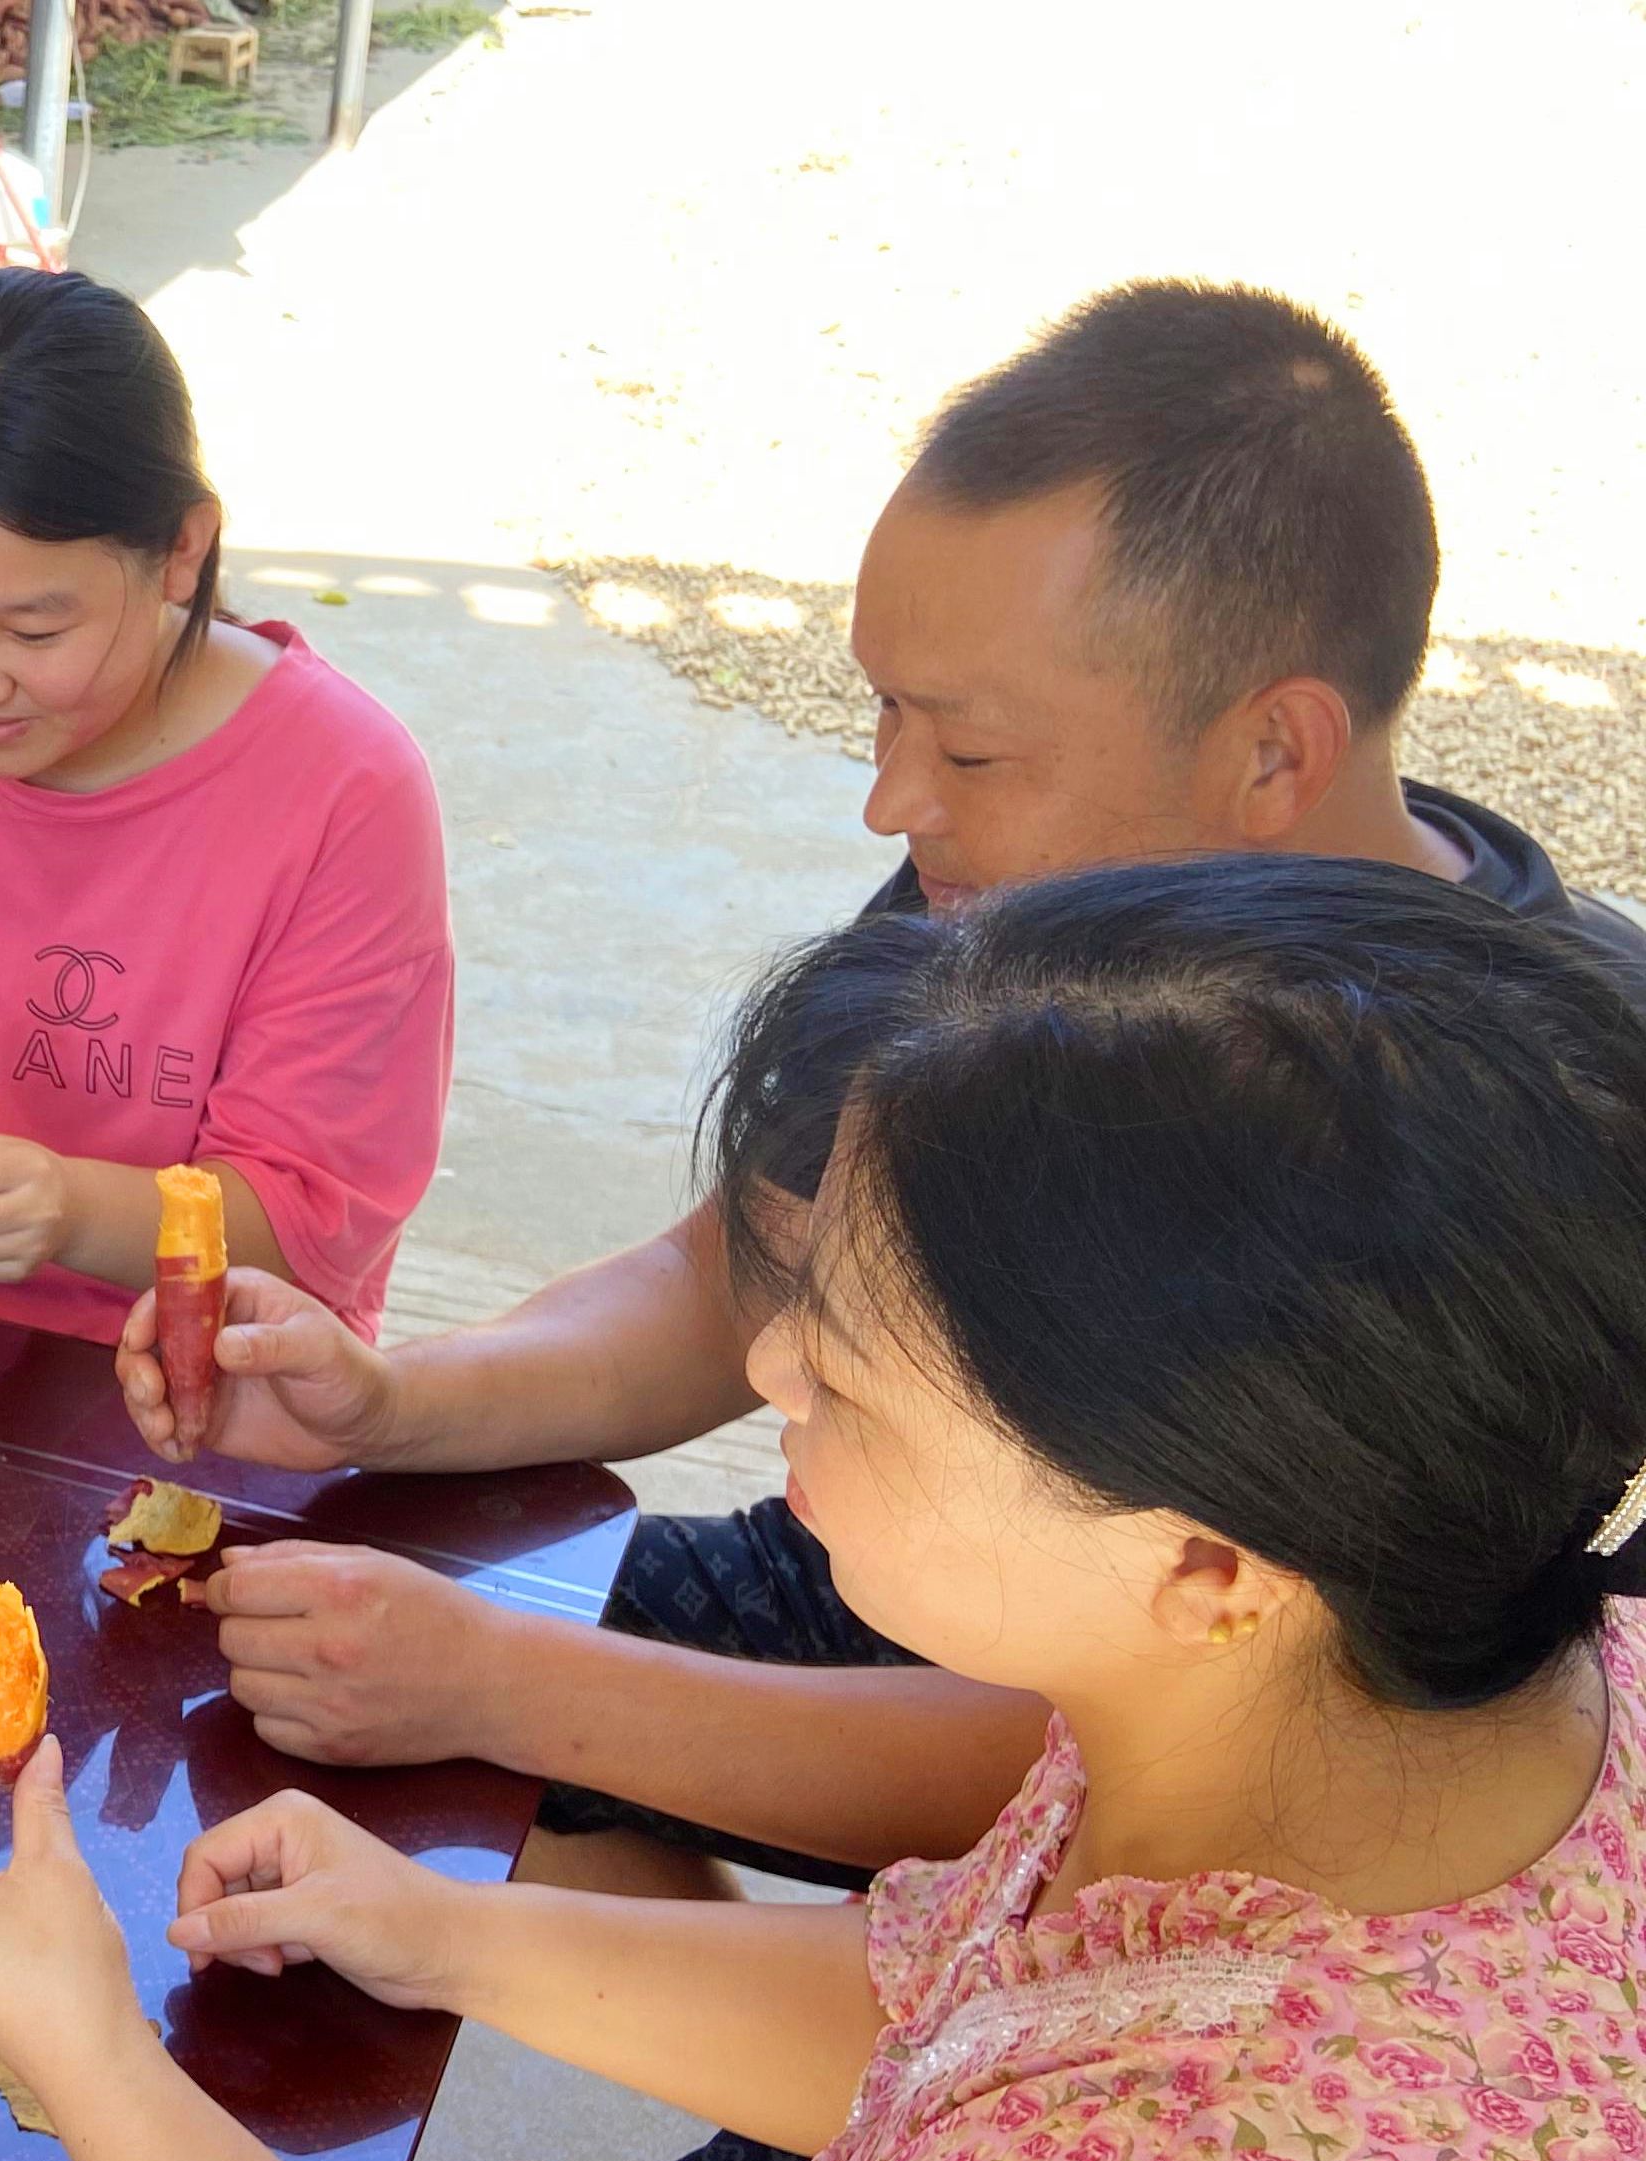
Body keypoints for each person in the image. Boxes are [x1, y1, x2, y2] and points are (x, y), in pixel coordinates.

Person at [0, 853, 1646, 2161]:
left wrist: (90, 2048)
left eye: (855, 1370)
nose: (762, 1362)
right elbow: (959, 2008)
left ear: (1201, 1559)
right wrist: (440, 1929)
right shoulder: (1402, 1686)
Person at [125, 281, 1646, 1918]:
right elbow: (728, 1280)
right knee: (293, 1635)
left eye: (968, 752)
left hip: (1181, 1921)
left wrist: (505, 1684)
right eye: (880, 712)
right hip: (874, 1563)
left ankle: (780, 2142)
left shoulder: (1519, 1139)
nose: (888, 800)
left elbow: (1181, 1776)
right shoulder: (997, 904)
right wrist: (396, 1407)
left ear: (1270, 751)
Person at [0, 267, 450, 1344]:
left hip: (215, 1383)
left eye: (32, 634)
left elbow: (313, 1217)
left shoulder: (346, 791)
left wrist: (70, 1212)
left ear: (183, 550)